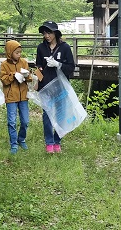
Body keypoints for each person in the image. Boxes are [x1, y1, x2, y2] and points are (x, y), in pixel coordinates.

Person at [35, 21, 75, 153]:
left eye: (49, 33)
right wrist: (39, 72)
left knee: (60, 114)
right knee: (47, 115)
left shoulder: (64, 48)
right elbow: (38, 65)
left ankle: (57, 141)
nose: (47, 36)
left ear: (56, 33)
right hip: (46, 86)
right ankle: (49, 142)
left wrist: (58, 64)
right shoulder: (41, 48)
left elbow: (71, 67)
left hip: (60, 86)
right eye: (44, 33)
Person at [0, 40, 32, 154]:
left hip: (23, 96)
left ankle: (21, 139)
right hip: (11, 97)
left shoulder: (23, 62)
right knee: (12, 121)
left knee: (25, 121)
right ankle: (13, 143)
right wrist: (13, 75)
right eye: (16, 53)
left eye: (20, 52)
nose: (19, 55)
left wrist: (26, 75)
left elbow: (30, 78)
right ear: (10, 52)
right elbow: (4, 80)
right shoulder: (4, 64)